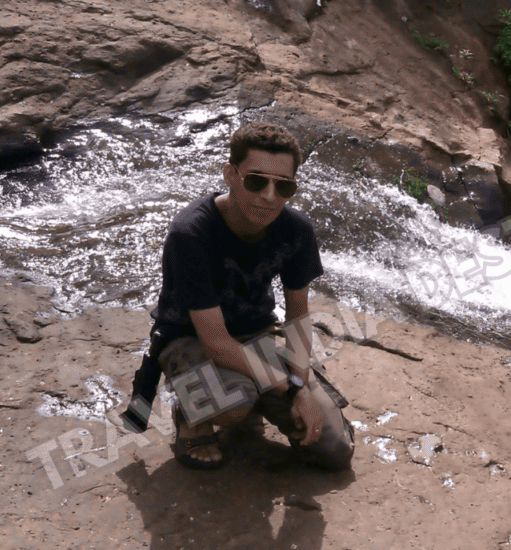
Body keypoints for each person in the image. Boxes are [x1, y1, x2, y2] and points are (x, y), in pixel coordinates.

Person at [145, 121, 354, 470]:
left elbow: (298, 315)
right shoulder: (190, 233)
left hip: (258, 335)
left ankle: (255, 392)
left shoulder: (296, 229)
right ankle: (190, 417)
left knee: (333, 451)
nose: (269, 196)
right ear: (230, 175)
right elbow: (216, 342)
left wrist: (300, 381)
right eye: (256, 181)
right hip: (191, 338)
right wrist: (290, 389)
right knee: (233, 403)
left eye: (283, 185)